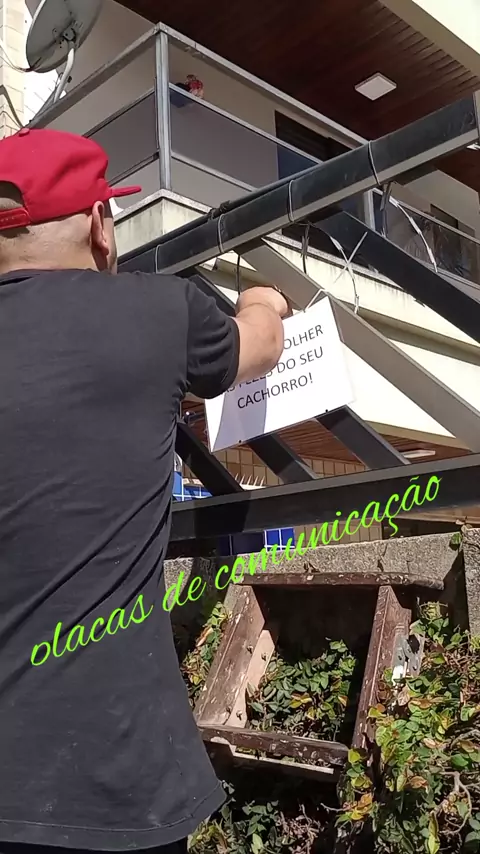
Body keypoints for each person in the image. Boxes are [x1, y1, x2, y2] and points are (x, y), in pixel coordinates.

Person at [0, 128, 288, 854]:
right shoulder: (157, 311)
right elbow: (258, 346)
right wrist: (265, 298)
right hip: (110, 783)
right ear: (100, 224)